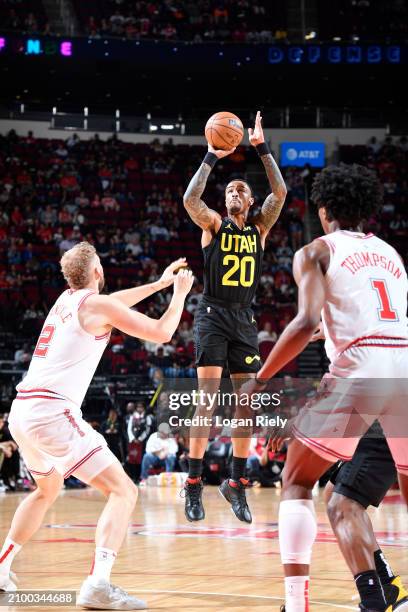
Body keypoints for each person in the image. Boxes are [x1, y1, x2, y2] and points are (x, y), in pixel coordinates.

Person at [243, 163, 408, 611]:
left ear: (322, 210)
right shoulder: (392, 255)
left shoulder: (315, 251)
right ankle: (381, 596)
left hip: (361, 377)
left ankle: (297, 606)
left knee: (296, 482)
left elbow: (306, 321)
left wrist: (260, 379)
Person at [0, 242, 193, 610]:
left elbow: (113, 302)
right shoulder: (95, 304)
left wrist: (157, 284)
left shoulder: (66, 300)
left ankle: (1, 567)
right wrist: (179, 294)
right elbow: (162, 332)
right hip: (51, 412)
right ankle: (98, 584)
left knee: (47, 489)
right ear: (98, 272)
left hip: (23, 412)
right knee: (124, 491)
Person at [182, 111, 287, 523]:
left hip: (244, 319)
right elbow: (191, 200)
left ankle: (236, 483)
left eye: (240, 189)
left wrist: (261, 148)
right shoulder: (213, 225)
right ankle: (192, 485)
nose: (234, 193)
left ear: (250, 201)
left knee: (248, 407)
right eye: (229, 190)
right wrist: (210, 157)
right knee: (206, 402)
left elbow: (279, 192)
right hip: (212, 315)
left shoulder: (258, 230)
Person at [324, 423, 408, 612]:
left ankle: (373, 605)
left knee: (343, 505)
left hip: (387, 418)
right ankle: (389, 587)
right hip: (369, 424)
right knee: (332, 495)